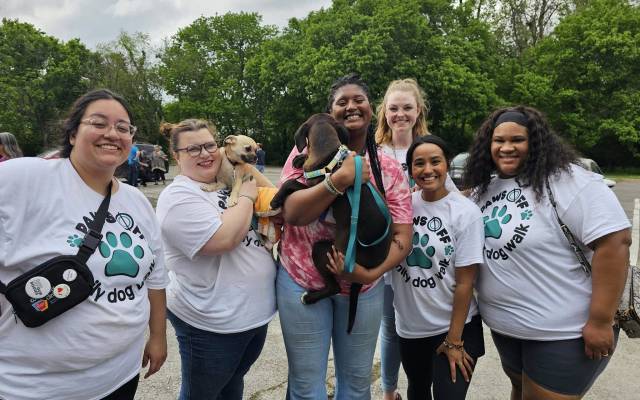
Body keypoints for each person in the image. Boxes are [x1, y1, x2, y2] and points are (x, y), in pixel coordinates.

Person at [0, 89, 169, 400]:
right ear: (73, 133)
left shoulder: (136, 201)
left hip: (121, 374)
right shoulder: (24, 177)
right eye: (99, 123)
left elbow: (155, 279)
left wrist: (158, 337)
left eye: (123, 127)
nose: (112, 134)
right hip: (35, 386)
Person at [463, 106, 631, 399]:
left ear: (536, 142)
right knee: (520, 390)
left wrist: (601, 320)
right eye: (498, 140)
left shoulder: (570, 182)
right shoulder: (484, 189)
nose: (506, 147)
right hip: (508, 330)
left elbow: (615, 243)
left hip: (564, 333)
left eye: (517, 140)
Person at [277, 73, 413, 400]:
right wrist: (340, 179)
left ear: (371, 108)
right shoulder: (302, 159)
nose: (351, 106)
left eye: (359, 100)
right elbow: (293, 213)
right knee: (306, 385)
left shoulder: (388, 167)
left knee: (355, 385)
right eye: (342, 102)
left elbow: (402, 238)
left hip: (362, 285)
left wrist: (370, 273)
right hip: (302, 277)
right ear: (330, 115)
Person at [156, 119, 276, 400]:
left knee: (232, 385)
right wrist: (247, 194)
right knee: (202, 394)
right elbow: (225, 239)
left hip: (252, 319)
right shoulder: (178, 198)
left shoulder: (226, 179)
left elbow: (273, 197)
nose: (205, 153)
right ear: (176, 156)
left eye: (209, 145)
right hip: (211, 325)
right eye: (193, 149)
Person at [374, 78, 459, 400]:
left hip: (422, 256)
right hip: (385, 250)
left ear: (418, 110)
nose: (400, 114)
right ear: (385, 112)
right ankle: (389, 391)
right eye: (394, 108)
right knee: (390, 327)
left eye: (407, 107)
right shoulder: (374, 151)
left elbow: (446, 196)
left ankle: (419, 387)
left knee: (416, 327)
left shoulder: (427, 150)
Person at [389, 135, 485, 400]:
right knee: (417, 391)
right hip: (411, 328)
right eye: (419, 163)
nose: (428, 169)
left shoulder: (465, 213)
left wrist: (454, 340)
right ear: (409, 170)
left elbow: (466, 282)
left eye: (435, 161)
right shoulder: (401, 207)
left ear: (447, 165)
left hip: (456, 327)